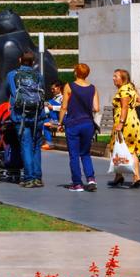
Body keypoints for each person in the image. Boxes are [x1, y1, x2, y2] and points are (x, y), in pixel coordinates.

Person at [5, 52, 45, 188]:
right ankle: (38, 177)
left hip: (20, 115)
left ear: (20, 60)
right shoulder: (39, 76)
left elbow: (10, 91)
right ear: (33, 62)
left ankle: (29, 178)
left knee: (26, 145)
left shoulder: (12, 74)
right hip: (37, 115)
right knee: (36, 146)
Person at [59, 63, 100, 192]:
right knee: (85, 153)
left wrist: (60, 122)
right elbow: (96, 108)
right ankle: (91, 178)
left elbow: (64, 107)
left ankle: (77, 183)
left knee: (74, 155)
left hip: (73, 123)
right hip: (88, 123)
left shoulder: (69, 86)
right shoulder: (93, 88)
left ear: (76, 72)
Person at [111, 69, 140, 188]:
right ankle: (132, 176)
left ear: (123, 78)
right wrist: (132, 105)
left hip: (125, 123)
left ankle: (130, 176)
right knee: (131, 150)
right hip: (134, 121)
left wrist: (121, 122)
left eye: (116, 76)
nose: (113, 78)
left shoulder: (124, 90)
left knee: (119, 147)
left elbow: (124, 108)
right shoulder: (130, 87)